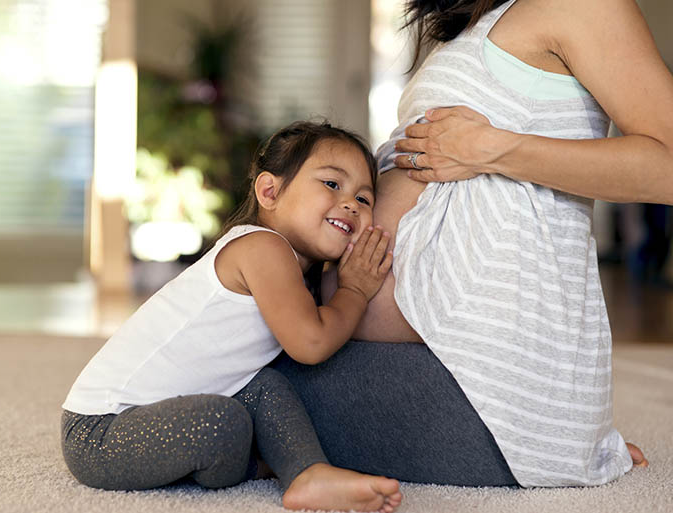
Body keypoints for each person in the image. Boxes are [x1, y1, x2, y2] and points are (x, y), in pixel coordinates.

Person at [275, 0, 660, 488]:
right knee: (228, 345)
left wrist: (491, 148)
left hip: (474, 391)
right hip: (449, 371)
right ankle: (550, 434)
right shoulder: (481, 19)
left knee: (242, 383)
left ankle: (542, 436)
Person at [61, 121, 403, 513]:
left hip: (151, 416)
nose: (350, 204)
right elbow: (311, 344)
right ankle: (261, 464)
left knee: (265, 386)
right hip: (99, 432)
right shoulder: (262, 248)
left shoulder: (290, 265)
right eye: (331, 184)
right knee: (223, 423)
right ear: (269, 191)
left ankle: (308, 472)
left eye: (364, 198)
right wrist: (355, 290)